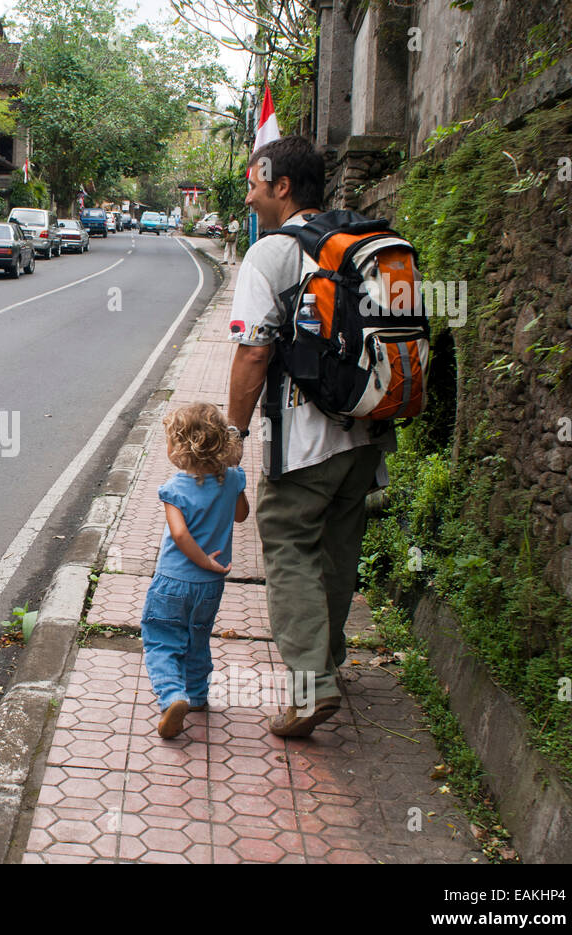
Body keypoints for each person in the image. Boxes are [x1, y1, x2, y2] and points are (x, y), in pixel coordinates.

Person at [225, 135, 396, 737]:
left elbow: (253, 353)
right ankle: (327, 663)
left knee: (290, 549)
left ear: (282, 186)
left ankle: (309, 689)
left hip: (303, 440)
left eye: (253, 185)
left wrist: (233, 433)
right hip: (368, 433)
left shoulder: (271, 255)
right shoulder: (366, 242)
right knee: (338, 553)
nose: (249, 199)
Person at [141, 403, 249, 740]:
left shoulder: (174, 488)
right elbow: (242, 515)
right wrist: (232, 479)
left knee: (161, 640)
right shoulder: (231, 480)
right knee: (197, 638)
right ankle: (198, 696)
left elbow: (179, 534)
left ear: (180, 447)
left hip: (173, 580)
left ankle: (172, 696)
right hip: (212, 584)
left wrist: (201, 559)